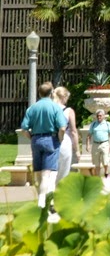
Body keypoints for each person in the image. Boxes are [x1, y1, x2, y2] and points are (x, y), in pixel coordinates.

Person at [20, 81, 66, 209]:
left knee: (39, 173)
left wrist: (32, 138)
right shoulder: (55, 107)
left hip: (36, 140)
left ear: (39, 93)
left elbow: (24, 129)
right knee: (49, 174)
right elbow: (62, 127)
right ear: (51, 93)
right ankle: (44, 202)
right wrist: (60, 139)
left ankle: (43, 200)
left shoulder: (32, 108)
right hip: (51, 140)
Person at [51, 86, 79, 183]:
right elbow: (73, 131)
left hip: (49, 140)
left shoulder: (49, 108)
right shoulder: (68, 111)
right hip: (64, 141)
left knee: (50, 172)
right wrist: (77, 150)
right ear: (64, 97)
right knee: (63, 172)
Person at [87, 109, 110, 179]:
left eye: (100, 116)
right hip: (95, 144)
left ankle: (106, 173)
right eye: (98, 116)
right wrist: (88, 145)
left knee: (105, 161)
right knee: (96, 163)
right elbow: (89, 136)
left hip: (104, 144)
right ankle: (97, 177)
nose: (99, 117)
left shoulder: (107, 124)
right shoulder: (93, 124)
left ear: (103, 116)